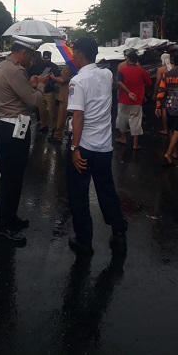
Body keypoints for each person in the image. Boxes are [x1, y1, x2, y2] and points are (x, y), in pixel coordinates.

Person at [67, 37, 128, 256]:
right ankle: (119, 232)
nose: (72, 56)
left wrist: (74, 150)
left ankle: (84, 241)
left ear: (81, 55)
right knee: (106, 190)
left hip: (84, 147)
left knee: (79, 194)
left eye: (74, 52)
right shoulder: (107, 74)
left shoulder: (78, 81)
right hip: (104, 147)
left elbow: (78, 116)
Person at [0, 35, 49, 245]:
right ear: (23, 52)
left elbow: (18, 92)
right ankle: (2, 228)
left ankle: (10, 218)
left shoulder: (2, 66)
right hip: (14, 128)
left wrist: (30, 82)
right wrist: (41, 85)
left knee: (12, 178)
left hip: (7, 126)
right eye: (31, 55)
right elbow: (33, 100)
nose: (32, 59)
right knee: (10, 179)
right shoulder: (14, 70)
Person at [155, 54, 178, 165]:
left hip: (169, 105)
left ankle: (174, 152)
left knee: (171, 129)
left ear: (173, 62)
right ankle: (168, 153)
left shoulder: (166, 75)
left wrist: (157, 105)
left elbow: (161, 90)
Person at [116, 51, 152, 150]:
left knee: (122, 119)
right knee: (136, 121)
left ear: (128, 59)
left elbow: (119, 83)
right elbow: (149, 83)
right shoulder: (142, 71)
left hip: (123, 100)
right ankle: (135, 144)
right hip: (137, 100)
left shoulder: (122, 71)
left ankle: (123, 138)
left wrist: (128, 92)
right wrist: (148, 92)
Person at [47, 64, 73, 145]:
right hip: (66, 94)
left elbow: (62, 79)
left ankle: (58, 135)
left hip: (66, 95)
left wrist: (53, 77)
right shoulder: (69, 66)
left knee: (62, 116)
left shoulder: (70, 67)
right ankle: (68, 133)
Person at [37, 50, 60, 135]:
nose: (45, 60)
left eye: (47, 59)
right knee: (41, 110)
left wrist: (52, 76)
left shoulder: (54, 66)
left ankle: (54, 127)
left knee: (52, 111)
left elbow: (57, 76)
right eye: (44, 59)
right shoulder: (38, 65)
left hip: (50, 90)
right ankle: (44, 124)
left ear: (50, 59)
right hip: (40, 91)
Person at [153, 53, 172, 135]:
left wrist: (155, 93)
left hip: (163, 91)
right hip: (173, 91)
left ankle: (165, 129)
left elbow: (157, 82)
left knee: (164, 109)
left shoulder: (160, 70)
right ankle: (172, 128)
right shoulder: (172, 68)